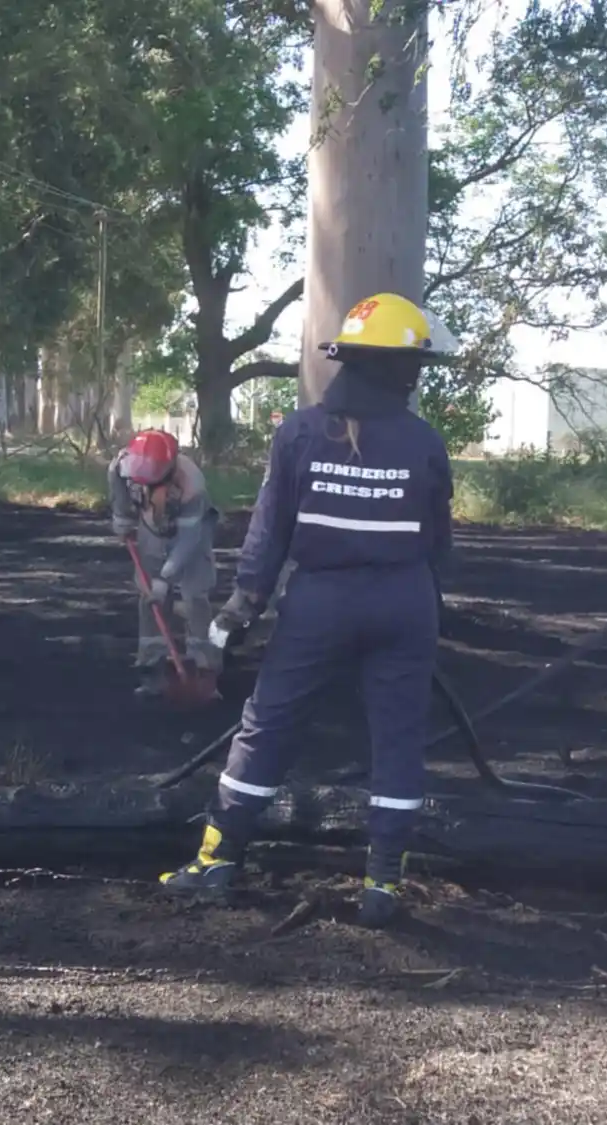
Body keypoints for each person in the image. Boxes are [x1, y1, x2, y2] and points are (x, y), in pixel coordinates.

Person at [158, 292, 455, 929]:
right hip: (405, 602)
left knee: (268, 725)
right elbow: (439, 544)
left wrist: (241, 609)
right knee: (398, 739)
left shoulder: (298, 434)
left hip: (321, 602)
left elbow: (269, 535)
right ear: (399, 369)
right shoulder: (425, 443)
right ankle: (383, 885)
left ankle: (217, 860)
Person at [108, 429, 221, 697]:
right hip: (151, 526)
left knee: (195, 597)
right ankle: (152, 669)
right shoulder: (122, 465)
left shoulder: (192, 485)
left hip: (191, 535)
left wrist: (166, 576)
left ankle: (204, 672)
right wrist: (121, 516)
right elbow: (117, 486)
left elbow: (187, 543)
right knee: (150, 598)